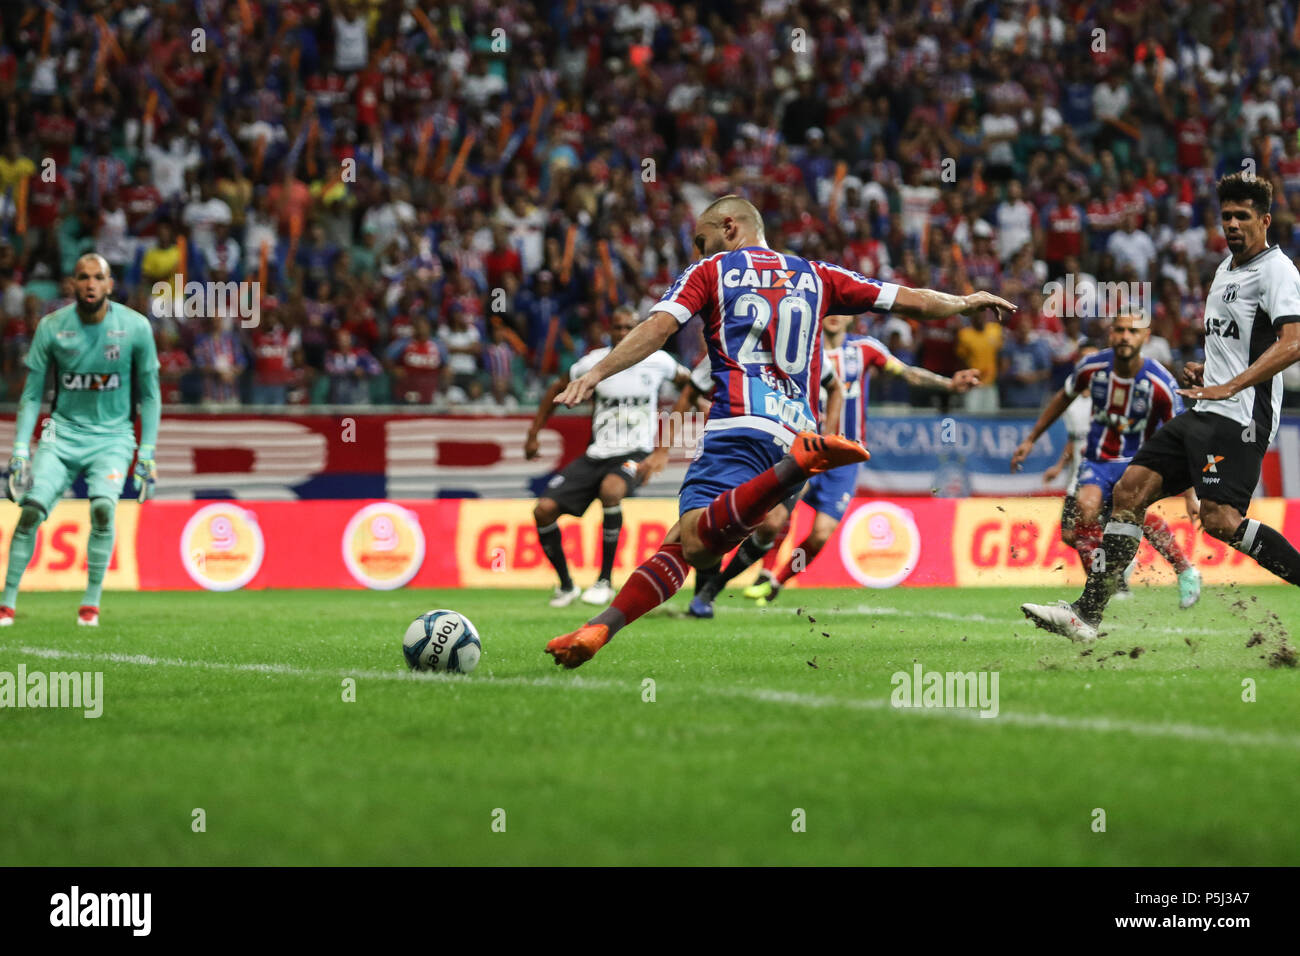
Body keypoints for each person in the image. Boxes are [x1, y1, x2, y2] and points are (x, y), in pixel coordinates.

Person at [544, 195, 1014, 668]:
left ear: (730, 227)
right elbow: (907, 299)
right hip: (793, 427)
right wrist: (964, 303)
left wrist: (596, 371)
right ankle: (602, 626)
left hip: (740, 421)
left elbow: (659, 326)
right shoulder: (817, 274)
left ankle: (795, 468)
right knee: (688, 545)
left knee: (696, 545)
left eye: (703, 242)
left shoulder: (713, 272)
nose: (699, 253)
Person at [1022, 174, 1300, 640]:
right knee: (1129, 492)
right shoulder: (1225, 270)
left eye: (1242, 216)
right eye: (1226, 215)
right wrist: (1205, 372)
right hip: (1205, 408)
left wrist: (1228, 384)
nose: (1232, 224)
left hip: (1240, 419)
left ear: (1265, 220)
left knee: (1220, 520)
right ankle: (1086, 614)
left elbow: (1292, 344)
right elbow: (1236, 344)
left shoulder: (1278, 271)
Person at [736, 313, 980, 607]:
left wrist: (948, 385)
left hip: (846, 457)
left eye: (843, 310)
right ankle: (762, 572)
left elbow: (906, 373)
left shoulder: (866, 349)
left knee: (821, 534)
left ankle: (778, 580)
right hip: (806, 448)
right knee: (777, 517)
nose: (836, 316)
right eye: (830, 309)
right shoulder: (800, 351)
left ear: (852, 317)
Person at [1, 254, 159, 627]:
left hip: (114, 435)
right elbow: (31, 394)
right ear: (72, 284)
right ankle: (6, 603)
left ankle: (91, 604)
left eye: (97, 278)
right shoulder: (52, 327)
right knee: (30, 511)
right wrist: (21, 449)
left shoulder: (135, 328)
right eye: (82, 277)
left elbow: (150, 395)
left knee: (103, 509)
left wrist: (147, 452)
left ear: (109, 284)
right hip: (60, 432)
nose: (90, 284)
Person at [1011, 316, 1201, 608]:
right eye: (1120, 330)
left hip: (1139, 462)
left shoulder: (1159, 381)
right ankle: (1110, 577)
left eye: (1133, 331)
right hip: (1098, 461)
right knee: (1085, 513)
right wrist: (1030, 439)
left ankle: (1185, 569)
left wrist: (1190, 494)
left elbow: (1180, 437)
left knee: (1136, 517)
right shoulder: (1092, 369)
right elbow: (1063, 397)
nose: (1125, 336)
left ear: (1145, 337)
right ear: (1111, 334)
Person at [524, 305, 690, 608]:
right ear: (608, 330)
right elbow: (555, 389)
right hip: (597, 452)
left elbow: (689, 386)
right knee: (543, 510)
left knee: (611, 490)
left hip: (634, 453)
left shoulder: (658, 360)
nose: (624, 333)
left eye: (630, 327)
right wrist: (534, 433)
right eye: (618, 328)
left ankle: (604, 581)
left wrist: (665, 446)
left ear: (640, 328)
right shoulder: (592, 362)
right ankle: (566, 586)